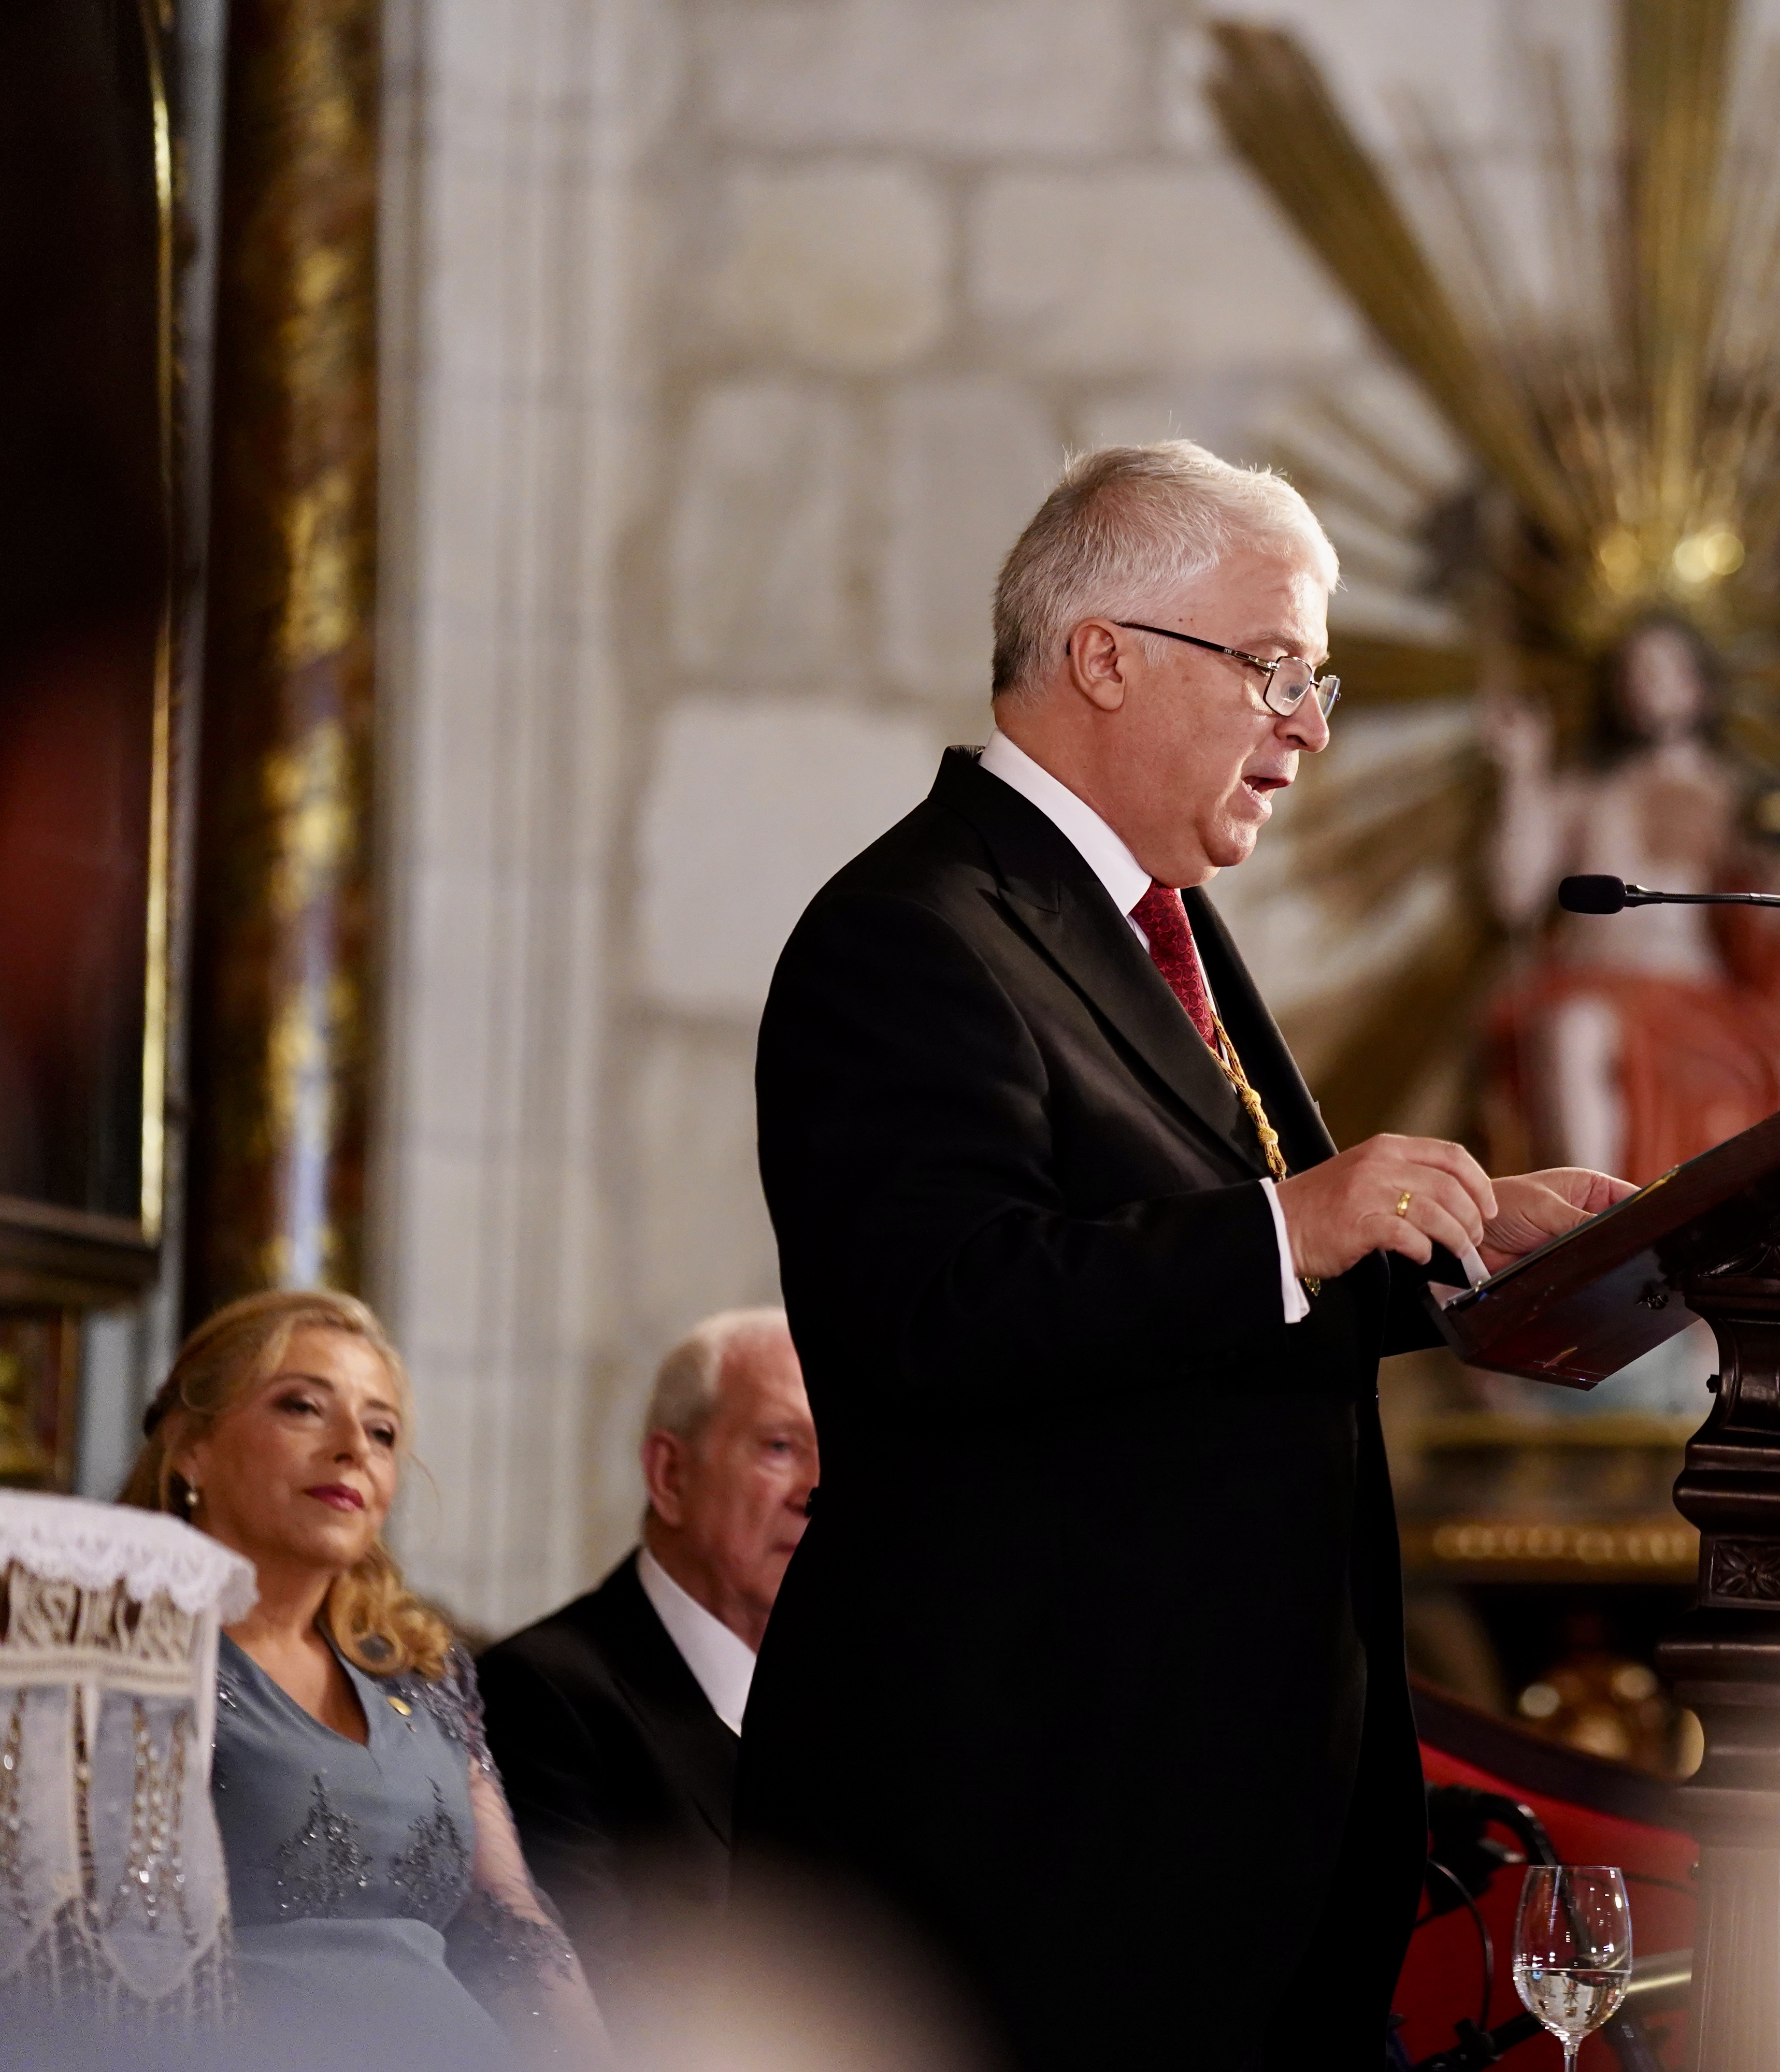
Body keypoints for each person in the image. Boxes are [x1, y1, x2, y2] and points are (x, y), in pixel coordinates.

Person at [742, 439, 1631, 2070]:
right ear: (1102, 657)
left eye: (1318, 678)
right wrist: (1298, 1217)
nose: (1306, 726)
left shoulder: (1165, 929)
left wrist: (1472, 1232)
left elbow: (1222, 1303)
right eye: (1273, 669)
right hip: (1025, 1839)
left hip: (1221, 1836)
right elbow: (934, 1309)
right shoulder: (911, 932)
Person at [117, 1288, 606, 2065]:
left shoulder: (424, 1672)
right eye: (303, 1407)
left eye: (382, 1431)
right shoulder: (122, 1654)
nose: (353, 1447)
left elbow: (514, 1922)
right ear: (191, 1448)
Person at [478, 1307, 816, 2028]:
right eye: (782, 1446)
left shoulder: (863, 1704)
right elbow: (588, 1995)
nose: (817, 1490)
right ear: (670, 1474)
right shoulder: (546, 1691)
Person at [1481, 613, 1780, 1179]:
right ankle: (1589, 1226)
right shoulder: (1592, 792)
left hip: (1693, 1005)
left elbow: (1765, 934)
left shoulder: (1732, 798)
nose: (1645, 683)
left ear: (1699, 686)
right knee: (1571, 1030)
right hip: (1596, 985)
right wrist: (1523, 771)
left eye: (1662, 669)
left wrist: (1776, 863)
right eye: (1633, 671)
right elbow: (1513, 894)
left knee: (1583, 1031)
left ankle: (1607, 1230)